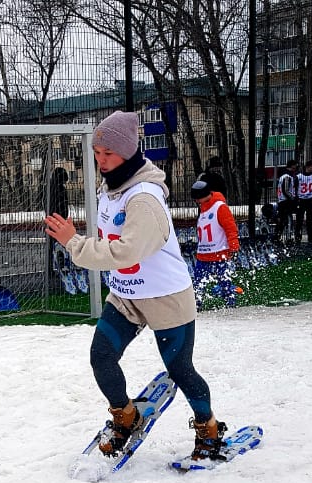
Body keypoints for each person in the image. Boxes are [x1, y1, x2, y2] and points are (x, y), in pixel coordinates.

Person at [43, 111, 227, 463]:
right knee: (101, 357)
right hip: (127, 294)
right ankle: (126, 417)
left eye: (108, 153)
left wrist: (73, 243)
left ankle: (209, 429)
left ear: (128, 152)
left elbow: (126, 251)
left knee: (180, 370)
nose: (101, 161)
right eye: (97, 153)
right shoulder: (110, 188)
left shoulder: (144, 198)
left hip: (165, 296)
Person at [190, 180, 241, 307]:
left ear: (202, 196)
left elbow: (230, 227)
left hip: (219, 253)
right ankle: (196, 305)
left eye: (197, 199)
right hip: (203, 254)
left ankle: (230, 303)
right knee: (198, 283)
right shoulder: (203, 208)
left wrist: (233, 246)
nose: (196, 201)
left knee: (224, 281)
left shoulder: (220, 207)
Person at [275, 159, 300, 244]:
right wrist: (293, 198)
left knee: (283, 220)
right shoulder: (287, 177)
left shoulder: (283, 176)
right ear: (292, 166)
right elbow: (285, 190)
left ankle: (278, 237)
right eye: (295, 165)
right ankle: (287, 238)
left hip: (282, 201)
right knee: (288, 219)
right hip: (286, 201)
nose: (296, 167)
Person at [296, 160, 312, 244]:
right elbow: (295, 188)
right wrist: (297, 198)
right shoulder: (299, 177)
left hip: (311, 200)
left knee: (310, 221)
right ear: (307, 167)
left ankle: (311, 239)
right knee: (299, 221)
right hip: (301, 200)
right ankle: (297, 238)